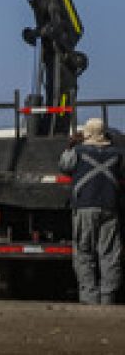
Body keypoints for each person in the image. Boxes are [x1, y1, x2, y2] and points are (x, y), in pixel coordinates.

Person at [59, 116, 123, 305]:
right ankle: (108, 297)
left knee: (84, 252)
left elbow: (64, 166)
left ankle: (89, 297)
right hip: (110, 206)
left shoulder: (77, 151)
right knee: (110, 253)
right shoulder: (117, 153)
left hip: (85, 207)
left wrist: (70, 145)